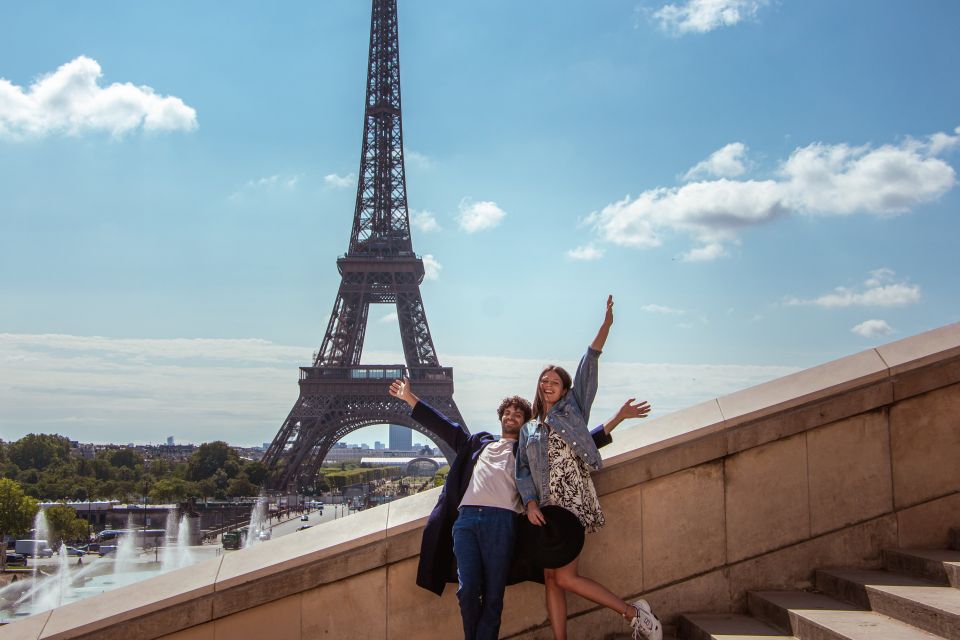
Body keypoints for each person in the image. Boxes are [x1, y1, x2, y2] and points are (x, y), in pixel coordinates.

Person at [516, 295, 661, 640]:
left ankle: (635, 615)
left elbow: (588, 362)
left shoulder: (573, 410)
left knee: (564, 577)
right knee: (553, 579)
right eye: (543, 380)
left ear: (566, 390)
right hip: (547, 507)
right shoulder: (529, 429)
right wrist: (531, 503)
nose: (547, 384)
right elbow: (523, 470)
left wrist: (606, 326)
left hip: (572, 501)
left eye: (555, 381)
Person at [390, 377, 532, 640]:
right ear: (501, 417)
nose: (512, 416)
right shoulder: (478, 444)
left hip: (502, 521)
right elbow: (446, 427)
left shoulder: (528, 453)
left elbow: (563, 454)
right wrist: (410, 397)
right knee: (466, 591)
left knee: (493, 596)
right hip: (466, 521)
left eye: (518, 414)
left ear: (524, 422)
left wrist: (610, 425)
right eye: (508, 412)